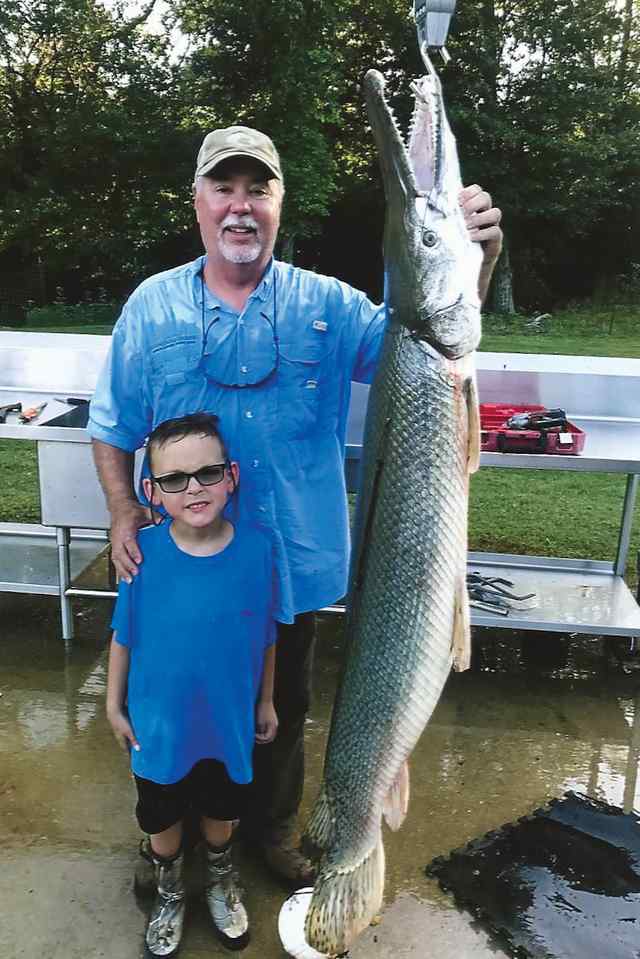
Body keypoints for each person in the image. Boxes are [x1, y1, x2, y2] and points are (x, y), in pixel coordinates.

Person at [89, 124, 503, 885]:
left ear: (280, 204)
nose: (240, 207)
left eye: (258, 189)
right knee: (170, 707)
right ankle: (168, 839)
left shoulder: (330, 305)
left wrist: (470, 261)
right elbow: (111, 424)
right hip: (183, 571)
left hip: (291, 565)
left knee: (280, 713)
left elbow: (429, 334)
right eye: (225, 187)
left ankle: (271, 831)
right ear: (198, 202)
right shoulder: (151, 307)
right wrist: (122, 511)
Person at [106, 411, 279, 955]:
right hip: (158, 728)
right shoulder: (142, 555)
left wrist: (267, 700)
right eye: (175, 480)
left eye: (206, 474)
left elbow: (268, 634)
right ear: (152, 492)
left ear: (231, 476)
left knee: (221, 811)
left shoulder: (257, 550)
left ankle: (222, 880)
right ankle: (171, 890)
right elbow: (123, 637)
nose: (194, 489)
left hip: (226, 725)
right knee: (161, 815)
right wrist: (113, 706)